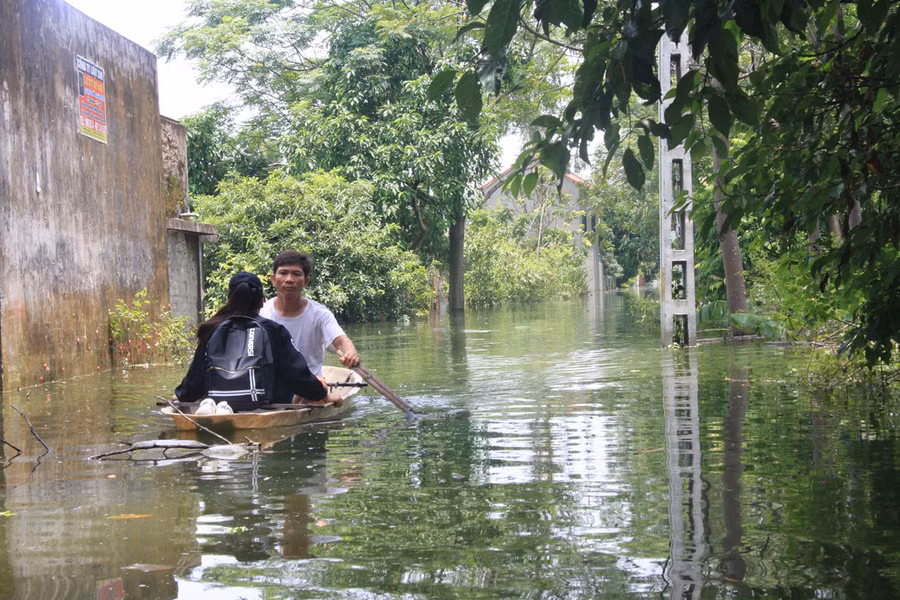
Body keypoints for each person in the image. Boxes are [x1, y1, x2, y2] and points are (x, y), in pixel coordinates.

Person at [173, 271, 343, 413]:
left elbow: (196, 376)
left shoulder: (211, 329)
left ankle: (214, 405)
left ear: (229, 297)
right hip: (266, 408)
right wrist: (323, 394)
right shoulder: (274, 330)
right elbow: (298, 375)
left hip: (219, 404)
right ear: (261, 302)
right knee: (318, 381)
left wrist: (181, 395)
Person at [260, 250, 360, 377]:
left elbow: (341, 341)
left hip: (310, 385)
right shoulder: (261, 312)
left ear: (306, 282)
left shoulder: (320, 315)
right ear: (273, 279)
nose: (289, 279)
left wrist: (350, 352)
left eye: (296, 274)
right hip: (272, 384)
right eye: (283, 273)